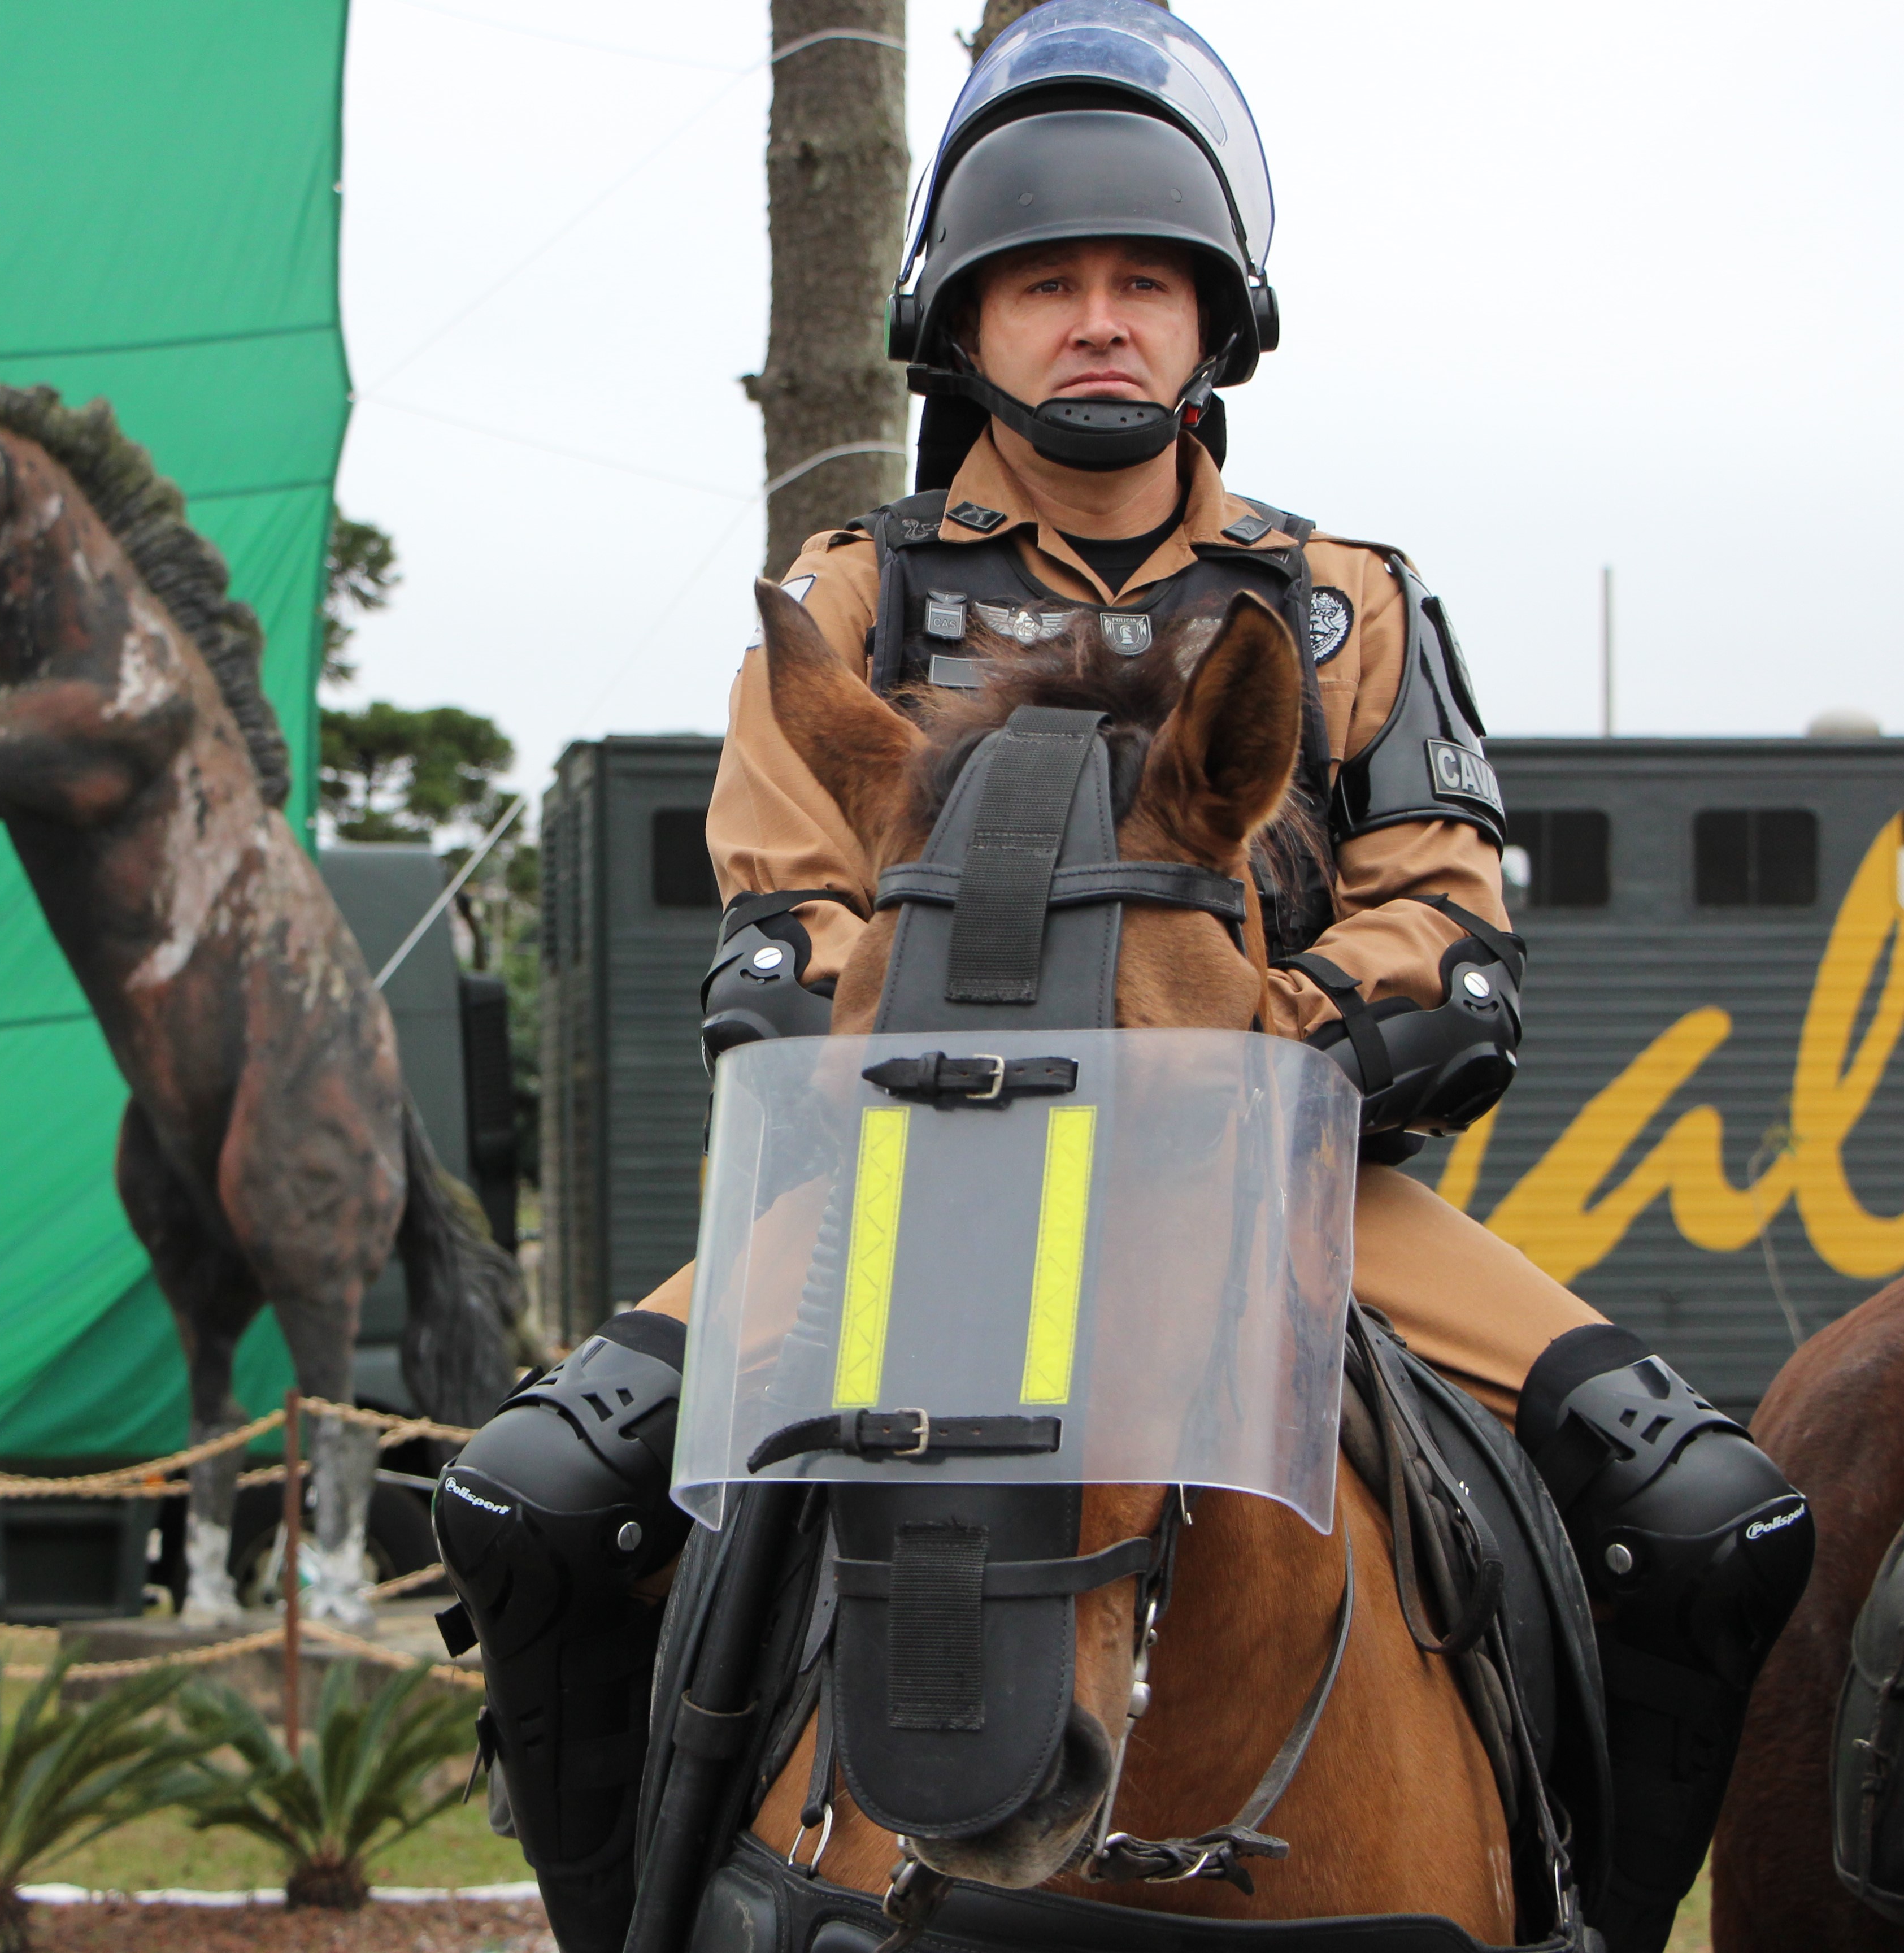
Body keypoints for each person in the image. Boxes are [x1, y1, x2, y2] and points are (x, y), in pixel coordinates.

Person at [433, 7, 1811, 1950]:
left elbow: (1447, 925)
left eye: (1141, 283)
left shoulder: (1344, 602)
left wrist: (1237, 1040)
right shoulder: (855, 597)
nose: (1098, 320)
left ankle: (1577, 1910)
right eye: (1046, 284)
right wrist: (963, 1042)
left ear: (1210, 322)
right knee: (530, 1503)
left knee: (1708, 1524)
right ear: (963, 327)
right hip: (906, 1187)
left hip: (1288, 1182)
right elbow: (780, 931)